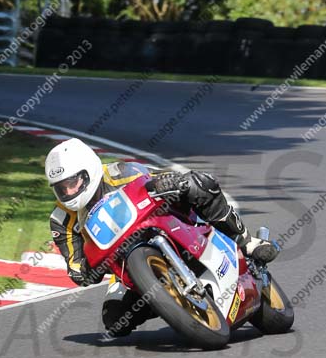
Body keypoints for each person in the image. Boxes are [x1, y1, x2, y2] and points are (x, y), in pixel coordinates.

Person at [46, 137, 279, 337]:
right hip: (124, 267)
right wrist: (83, 270)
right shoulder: (61, 219)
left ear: (90, 170)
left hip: (162, 226)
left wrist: (168, 182)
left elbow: (153, 179)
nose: (68, 192)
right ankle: (168, 302)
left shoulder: (118, 173)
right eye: (61, 188)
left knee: (198, 184)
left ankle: (246, 241)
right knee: (115, 321)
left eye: (72, 183)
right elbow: (76, 266)